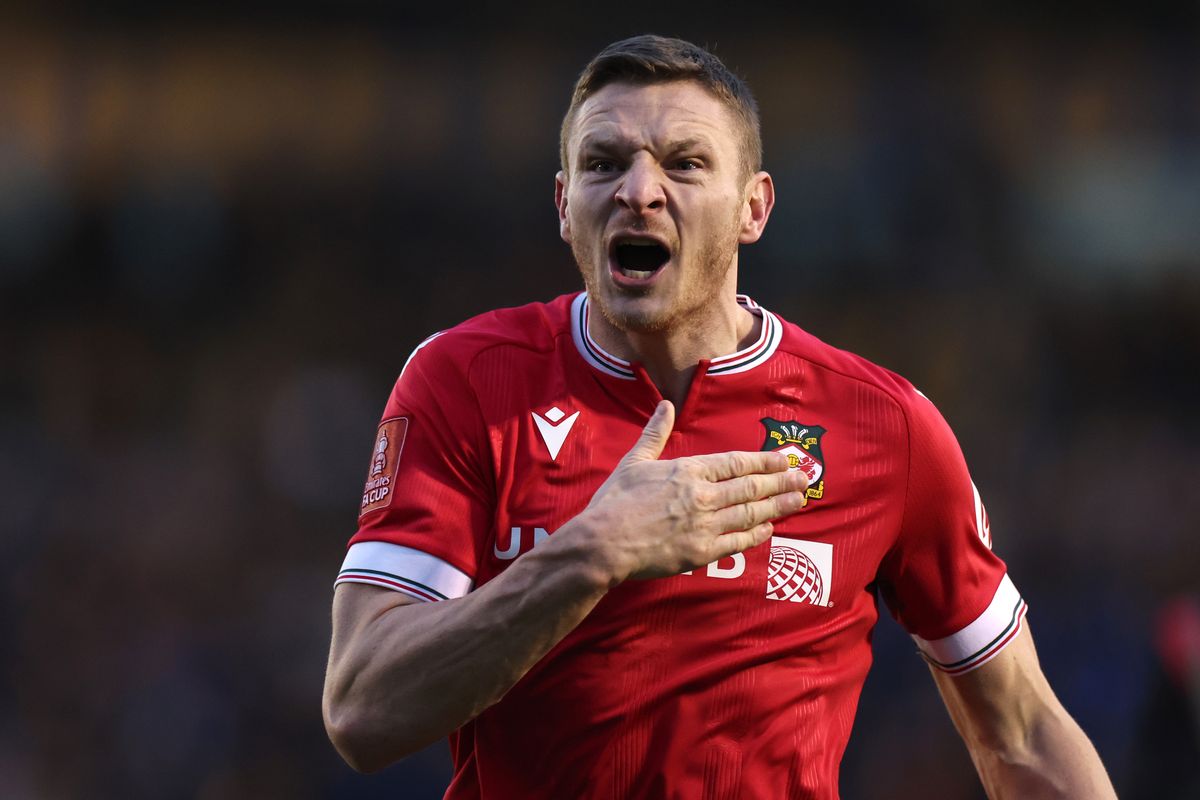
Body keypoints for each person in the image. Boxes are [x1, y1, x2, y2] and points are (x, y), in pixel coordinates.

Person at [322, 34, 1116, 799]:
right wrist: (590, 553)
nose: (638, 189)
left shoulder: (883, 425)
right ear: (565, 207)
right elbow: (363, 710)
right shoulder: (468, 381)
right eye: (603, 164)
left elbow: (1024, 734)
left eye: (684, 163)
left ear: (753, 208)